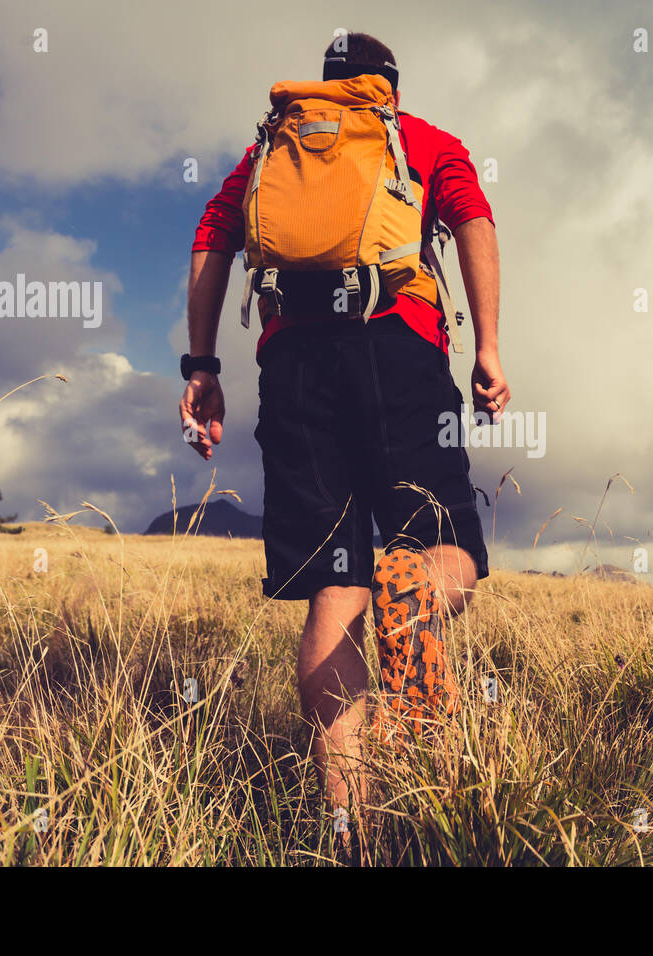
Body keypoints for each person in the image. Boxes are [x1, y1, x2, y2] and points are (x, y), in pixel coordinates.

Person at [179, 32, 509, 843]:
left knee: (334, 584)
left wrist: (202, 364)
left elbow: (211, 242)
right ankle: (419, 601)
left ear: (322, 87)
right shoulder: (422, 141)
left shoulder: (269, 151)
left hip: (293, 365)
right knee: (440, 548)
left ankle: (350, 826)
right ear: (387, 87)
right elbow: (474, 221)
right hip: (398, 349)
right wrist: (491, 349)